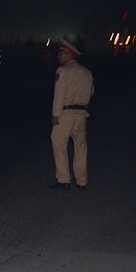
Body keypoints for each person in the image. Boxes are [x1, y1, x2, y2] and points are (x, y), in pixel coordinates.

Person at [49, 38, 94, 190]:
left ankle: (63, 179)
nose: (58, 56)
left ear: (69, 55)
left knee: (58, 143)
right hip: (82, 115)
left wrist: (55, 115)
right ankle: (82, 182)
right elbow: (91, 92)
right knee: (81, 148)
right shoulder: (87, 73)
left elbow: (59, 94)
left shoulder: (62, 71)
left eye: (61, 53)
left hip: (66, 114)